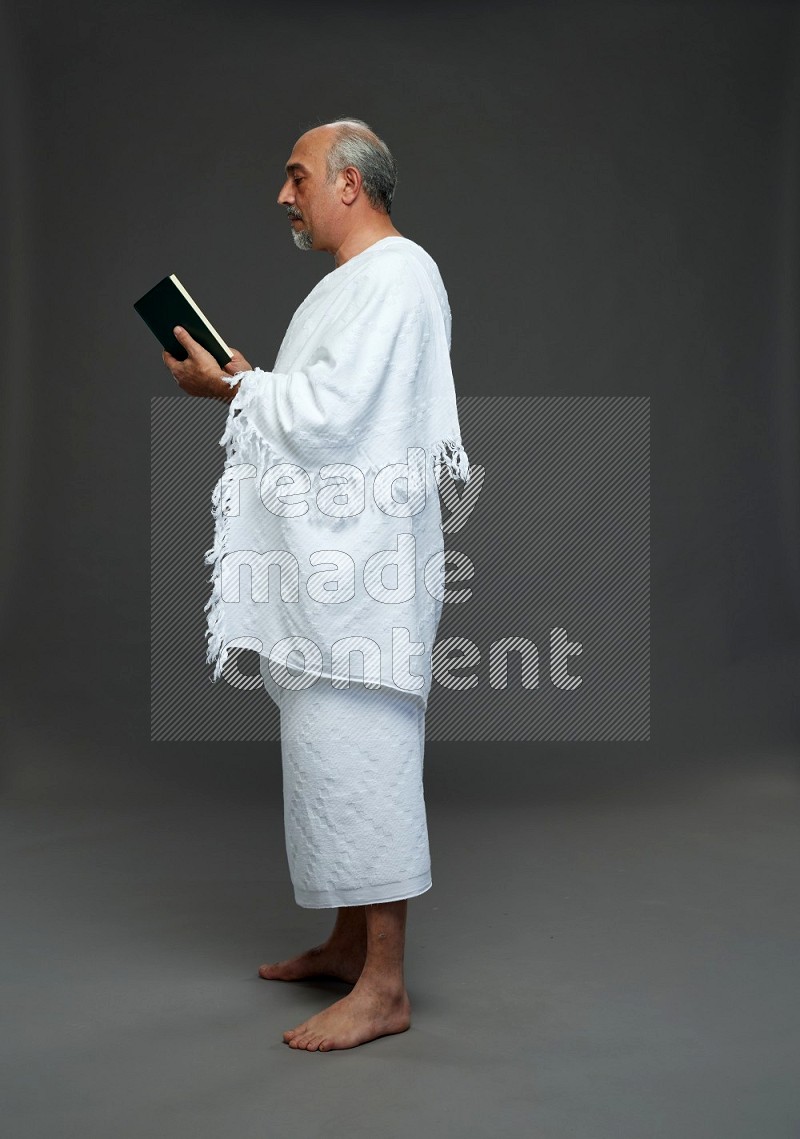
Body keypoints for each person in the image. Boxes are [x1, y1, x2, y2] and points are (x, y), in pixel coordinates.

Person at [163, 118, 469, 1051]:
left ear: (348, 183)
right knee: (328, 767)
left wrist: (233, 391)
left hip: (363, 582)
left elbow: (338, 420)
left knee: (367, 768)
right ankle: (346, 945)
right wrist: (253, 380)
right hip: (322, 579)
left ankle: (384, 986)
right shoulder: (348, 288)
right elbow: (321, 405)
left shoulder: (398, 274)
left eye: (297, 178)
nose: (284, 197)